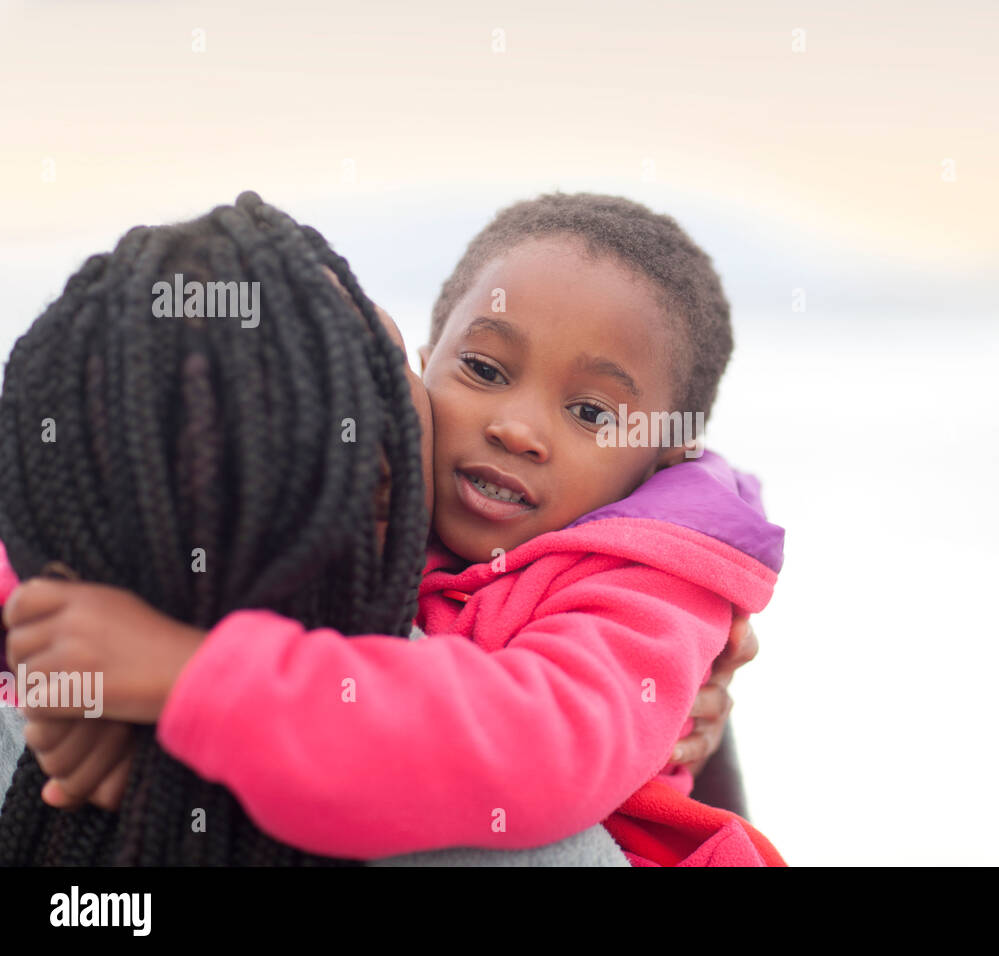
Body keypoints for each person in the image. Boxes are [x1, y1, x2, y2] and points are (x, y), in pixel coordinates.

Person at [4, 192, 786, 865]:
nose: (515, 428)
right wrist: (61, 652)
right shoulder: (396, 504)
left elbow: (527, 750)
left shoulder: (644, 586)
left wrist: (185, 679)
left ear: (663, 459)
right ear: (429, 357)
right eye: (483, 370)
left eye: (590, 413)